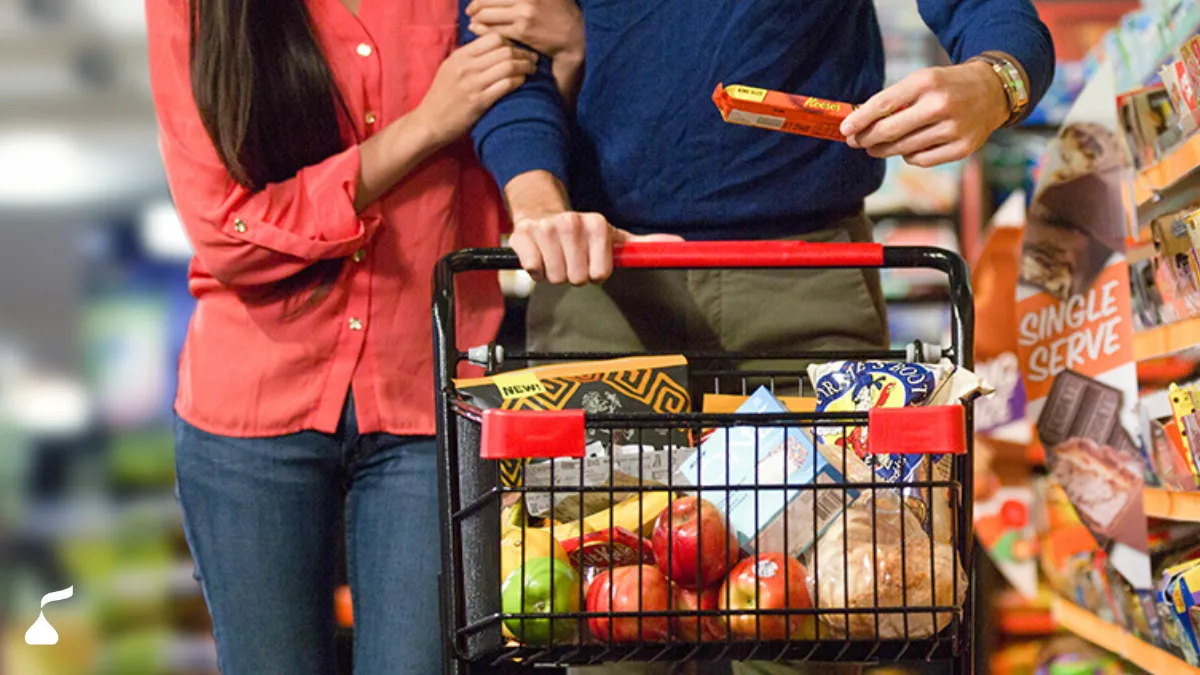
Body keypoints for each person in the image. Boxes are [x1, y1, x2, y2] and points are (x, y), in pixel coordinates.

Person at [464, 1, 1054, 674]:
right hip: (600, 281)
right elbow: (502, 52)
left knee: (814, 626)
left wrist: (993, 80)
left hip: (806, 282)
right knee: (607, 636)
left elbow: (992, 14)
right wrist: (540, 207)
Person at [145, 0, 582, 673]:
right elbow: (224, 228)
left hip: (427, 407)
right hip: (248, 416)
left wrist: (574, 54)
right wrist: (428, 125)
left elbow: (518, 149)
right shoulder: (197, 9)